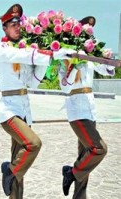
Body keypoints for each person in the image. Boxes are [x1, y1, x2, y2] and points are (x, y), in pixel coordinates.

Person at [0, 4, 72, 198]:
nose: (17, 27)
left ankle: (14, 186)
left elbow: (33, 83)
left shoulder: (24, 50)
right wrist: (50, 54)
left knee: (19, 160)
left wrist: (48, 61)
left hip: (24, 111)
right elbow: (24, 54)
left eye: (19, 23)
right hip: (9, 112)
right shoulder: (2, 49)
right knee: (33, 143)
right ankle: (8, 171)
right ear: (4, 27)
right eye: (12, 24)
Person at [58, 17, 115, 199]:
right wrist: (75, 64)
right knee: (99, 149)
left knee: (86, 155)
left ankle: (79, 196)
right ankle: (71, 173)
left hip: (90, 109)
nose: (90, 32)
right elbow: (65, 86)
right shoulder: (67, 56)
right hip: (77, 110)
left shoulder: (89, 55)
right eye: (87, 29)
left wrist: (108, 59)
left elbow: (105, 69)